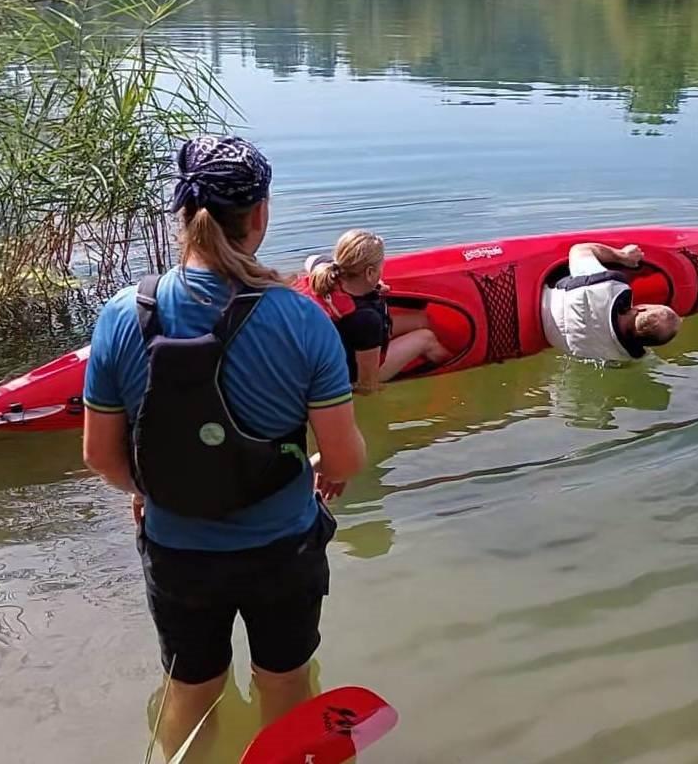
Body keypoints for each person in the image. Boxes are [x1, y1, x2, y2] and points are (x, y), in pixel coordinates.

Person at [81, 135, 366, 762]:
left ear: (181, 213)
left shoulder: (123, 314)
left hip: (178, 552)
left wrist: (147, 488)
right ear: (260, 215)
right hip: (282, 551)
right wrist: (316, 469)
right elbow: (345, 461)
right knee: (285, 684)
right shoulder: (302, 318)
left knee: (192, 690)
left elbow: (100, 457)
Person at [301, 229, 452, 394]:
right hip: (353, 376)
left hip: (346, 340)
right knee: (426, 338)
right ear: (369, 273)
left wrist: (375, 283)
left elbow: (312, 260)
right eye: (381, 266)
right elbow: (367, 385)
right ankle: (457, 367)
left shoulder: (329, 274)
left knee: (421, 319)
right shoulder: (366, 319)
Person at [542, 242, 682, 362]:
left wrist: (623, 256)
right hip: (549, 336)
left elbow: (579, 249)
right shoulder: (619, 358)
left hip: (541, 302)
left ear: (641, 309)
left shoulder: (605, 286)